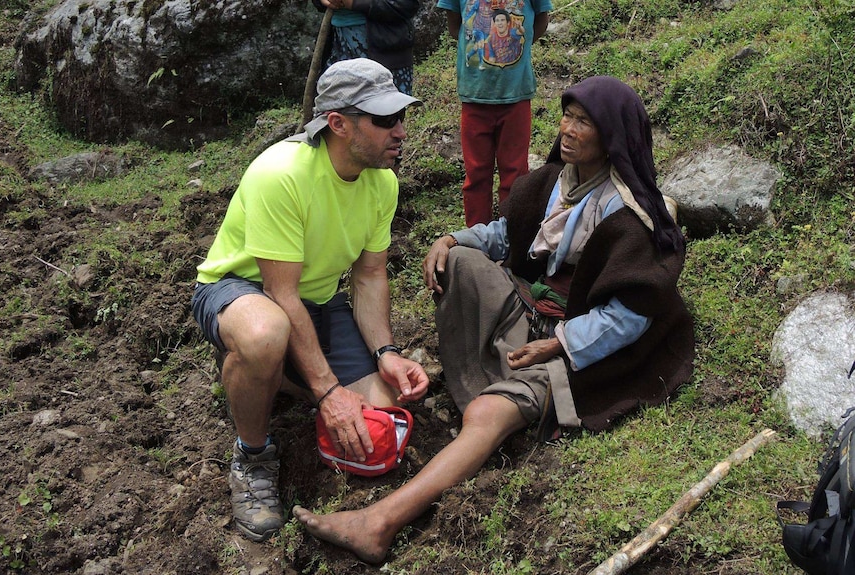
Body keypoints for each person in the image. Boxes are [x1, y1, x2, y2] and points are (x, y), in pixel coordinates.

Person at [292, 75, 695, 563]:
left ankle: (380, 521)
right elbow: (509, 235)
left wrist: (559, 344)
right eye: (566, 116)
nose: (566, 129)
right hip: (530, 314)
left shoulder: (632, 217)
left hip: (577, 350)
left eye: (583, 121)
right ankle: (492, 381)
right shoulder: (555, 182)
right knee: (459, 262)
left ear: (612, 135)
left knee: (487, 415)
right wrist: (453, 240)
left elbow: (627, 318)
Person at [191, 58, 430, 543]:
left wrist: (387, 354)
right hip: (243, 291)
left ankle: (273, 377)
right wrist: (328, 393)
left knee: (382, 409)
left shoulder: (381, 181)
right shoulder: (281, 173)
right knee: (265, 334)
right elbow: (280, 294)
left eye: (401, 116)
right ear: (338, 124)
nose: (400, 131)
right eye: (384, 120)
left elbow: (368, 277)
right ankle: (252, 454)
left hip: (316, 300)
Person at [438, 0, 551, 227]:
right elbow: (455, 27)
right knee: (476, 174)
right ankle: (478, 239)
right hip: (475, 96)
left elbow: (540, 22)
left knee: (516, 173)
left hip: (515, 95)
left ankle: (511, 238)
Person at [312, 0, 419, 96]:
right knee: (343, 109)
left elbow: (406, 4)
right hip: (339, 45)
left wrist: (356, 3)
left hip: (385, 49)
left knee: (385, 111)